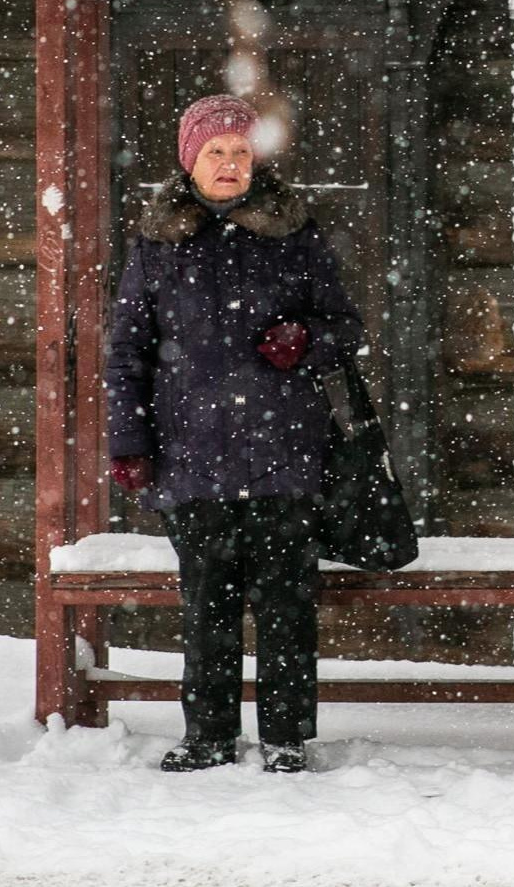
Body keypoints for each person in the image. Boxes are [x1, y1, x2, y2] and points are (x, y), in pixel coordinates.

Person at [105, 93, 366, 775]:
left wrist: (305, 338)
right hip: (190, 455)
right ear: (190, 160)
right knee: (206, 604)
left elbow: (346, 326)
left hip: (284, 451)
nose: (229, 164)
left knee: (285, 603)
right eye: (216, 152)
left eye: (241, 152)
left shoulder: (295, 235)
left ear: (258, 160)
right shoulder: (156, 245)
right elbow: (128, 350)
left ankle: (284, 737)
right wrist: (128, 442)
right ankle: (209, 735)